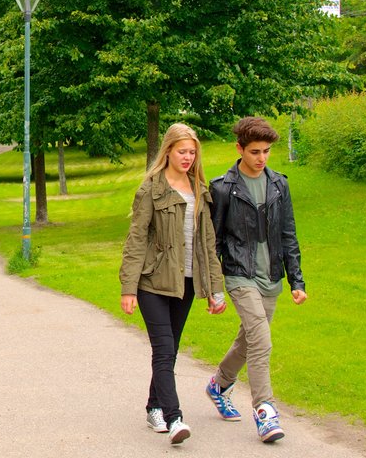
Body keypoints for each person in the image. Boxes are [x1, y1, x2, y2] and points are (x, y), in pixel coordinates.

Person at [120, 123, 226, 445]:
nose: (188, 158)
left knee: (170, 350)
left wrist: (215, 288)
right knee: (164, 349)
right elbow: (136, 238)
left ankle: (154, 406)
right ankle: (174, 416)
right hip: (153, 281)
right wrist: (128, 287)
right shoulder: (150, 189)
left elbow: (208, 242)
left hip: (187, 282)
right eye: (182, 151)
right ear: (168, 150)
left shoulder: (199, 188)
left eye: (192, 152)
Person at [204, 116, 307, 444]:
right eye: (255, 152)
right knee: (262, 341)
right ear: (239, 149)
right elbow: (213, 241)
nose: (261, 158)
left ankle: (218, 384)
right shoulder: (223, 188)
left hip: (271, 277)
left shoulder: (279, 184)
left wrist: (297, 281)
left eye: (266, 151)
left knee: (249, 340)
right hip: (239, 274)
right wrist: (214, 288)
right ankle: (265, 411)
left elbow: (288, 233)